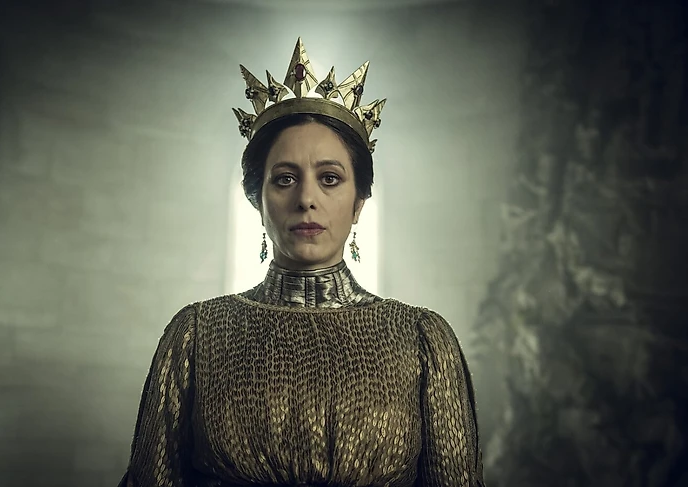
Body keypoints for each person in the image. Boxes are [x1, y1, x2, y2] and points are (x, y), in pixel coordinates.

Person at [118, 38, 485, 487]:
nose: (307, 198)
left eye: (329, 178)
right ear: (257, 201)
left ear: (359, 203)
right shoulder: (197, 335)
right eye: (285, 179)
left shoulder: (421, 340)